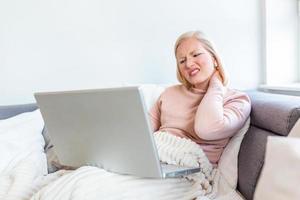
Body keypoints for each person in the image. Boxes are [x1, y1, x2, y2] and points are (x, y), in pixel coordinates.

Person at [149, 31, 251, 166]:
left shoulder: (237, 100)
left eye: (196, 54)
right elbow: (143, 132)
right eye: (182, 60)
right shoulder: (169, 93)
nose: (189, 64)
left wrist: (216, 86)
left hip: (189, 170)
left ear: (214, 58)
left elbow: (207, 129)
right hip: (156, 159)